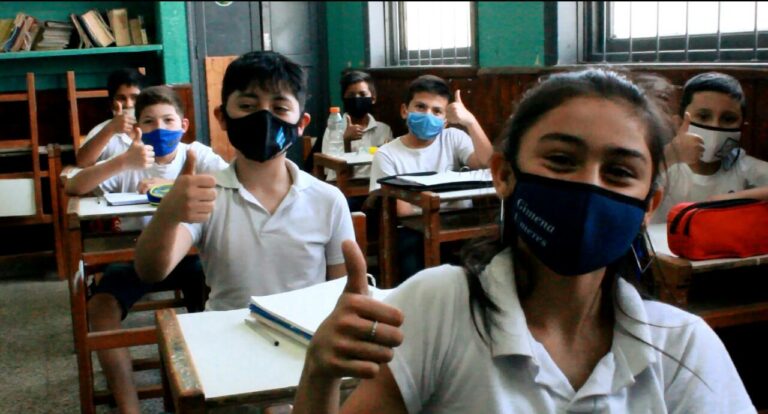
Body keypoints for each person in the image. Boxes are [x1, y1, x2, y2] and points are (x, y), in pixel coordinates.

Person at [293, 69, 755, 413]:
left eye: (618, 172)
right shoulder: (437, 307)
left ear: (649, 202)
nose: (589, 189)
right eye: (560, 160)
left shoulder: (682, 347)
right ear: (505, 175)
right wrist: (319, 376)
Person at [134, 51, 355, 311]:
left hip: (306, 341)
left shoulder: (327, 199)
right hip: (226, 340)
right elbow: (152, 271)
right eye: (247, 106)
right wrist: (167, 214)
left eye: (280, 108)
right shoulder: (206, 195)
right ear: (222, 117)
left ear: (300, 124)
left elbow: (340, 292)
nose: (263, 118)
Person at [67, 85, 228, 414]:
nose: (160, 129)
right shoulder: (131, 158)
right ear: (137, 128)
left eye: (169, 120)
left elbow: (232, 183)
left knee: (216, 298)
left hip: (189, 259)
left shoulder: (197, 154)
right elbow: (74, 185)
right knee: (100, 308)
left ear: (183, 126)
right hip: (134, 261)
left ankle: (210, 386)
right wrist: (122, 162)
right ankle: (130, 407)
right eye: (150, 122)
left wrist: (168, 187)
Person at [653, 72, 768, 222]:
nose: (715, 126)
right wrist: (671, 155)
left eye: (728, 119)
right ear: (679, 123)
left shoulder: (742, 166)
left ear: (742, 128)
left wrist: (726, 200)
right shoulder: (666, 164)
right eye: (703, 116)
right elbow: (635, 177)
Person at [76, 68, 146, 168]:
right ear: (111, 103)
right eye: (121, 98)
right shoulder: (102, 130)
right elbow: (82, 163)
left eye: (135, 97)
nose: (129, 104)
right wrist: (110, 129)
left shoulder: (155, 127)